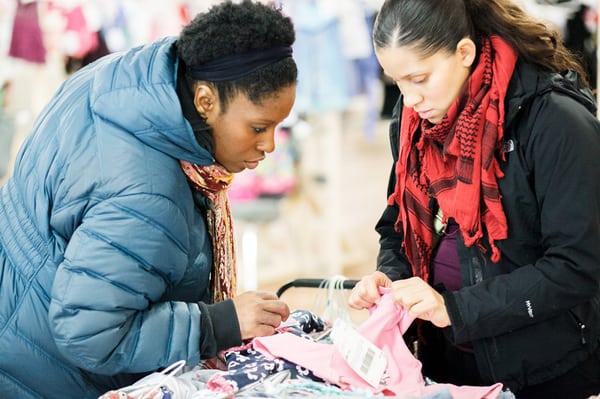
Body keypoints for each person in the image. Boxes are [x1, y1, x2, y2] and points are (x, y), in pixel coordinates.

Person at [0, 1, 296, 398]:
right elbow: (89, 332)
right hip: (45, 377)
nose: (269, 146)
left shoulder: (122, 79)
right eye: (258, 127)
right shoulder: (149, 197)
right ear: (206, 100)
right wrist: (219, 323)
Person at [348, 0, 600, 398]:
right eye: (397, 82)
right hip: (442, 364)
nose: (409, 98)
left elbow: (577, 266)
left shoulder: (555, 120)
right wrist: (391, 279)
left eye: (420, 78)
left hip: (545, 372)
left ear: (464, 53)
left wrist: (456, 310)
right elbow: (397, 225)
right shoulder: (413, 123)